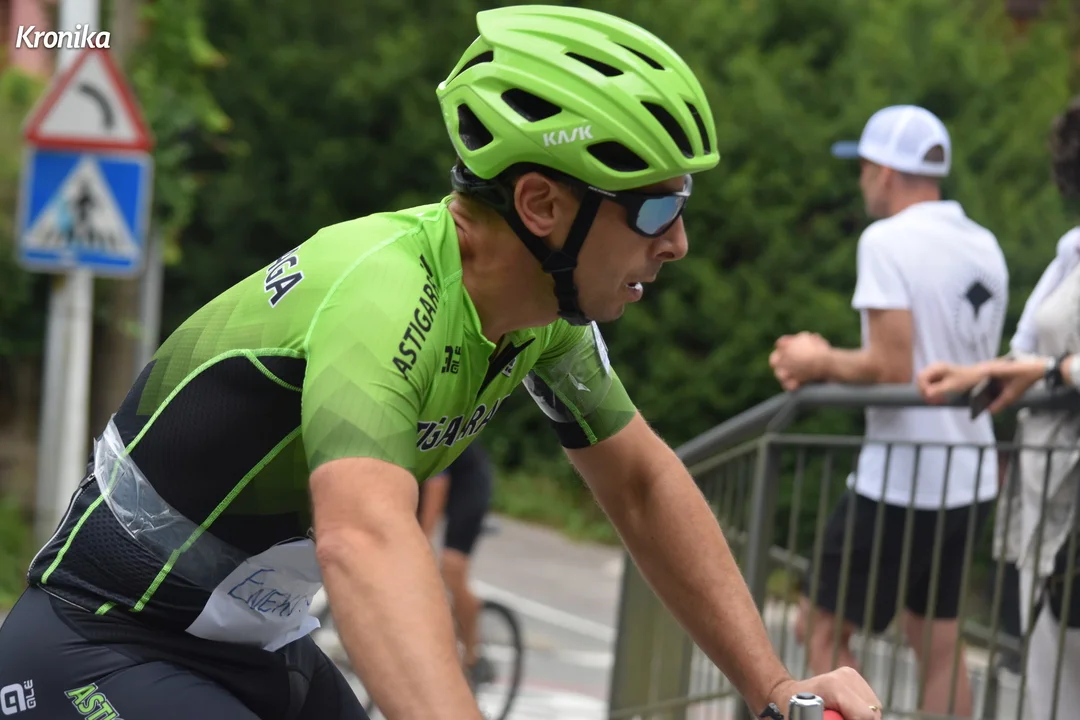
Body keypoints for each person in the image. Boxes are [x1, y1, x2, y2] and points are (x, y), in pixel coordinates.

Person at [0, 6, 883, 720]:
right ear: (541, 204)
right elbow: (365, 536)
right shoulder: (384, 295)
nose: (678, 243)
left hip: (256, 651)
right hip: (101, 642)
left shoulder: (541, 319)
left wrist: (777, 688)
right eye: (656, 210)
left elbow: (642, 485)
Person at [769, 105, 1008, 716]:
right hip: (969, 472)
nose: (862, 181)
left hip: (901, 479)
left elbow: (891, 366)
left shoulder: (886, 240)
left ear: (885, 172)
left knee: (820, 629)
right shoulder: (984, 244)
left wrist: (816, 359)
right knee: (940, 646)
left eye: (864, 168)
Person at [917, 95, 1080, 720]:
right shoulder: (1071, 249)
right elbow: (1024, 348)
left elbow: (1039, 361)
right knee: (1049, 677)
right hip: (1049, 493)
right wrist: (992, 373)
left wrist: (1052, 371)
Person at [416, 441, 495, 687]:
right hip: (429, 483)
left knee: (451, 568)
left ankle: (473, 655)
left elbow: (437, 485)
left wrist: (422, 539)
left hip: (468, 486)